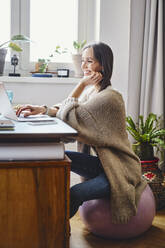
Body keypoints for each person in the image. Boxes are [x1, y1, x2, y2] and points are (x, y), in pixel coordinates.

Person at [16, 42, 147, 224]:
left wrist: (80, 84)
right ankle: (41, 216)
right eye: (83, 61)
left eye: (89, 61)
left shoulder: (109, 98)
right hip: (104, 165)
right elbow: (65, 108)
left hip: (120, 170)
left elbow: (69, 116)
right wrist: (42, 109)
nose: (84, 66)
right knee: (59, 157)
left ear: (102, 65)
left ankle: (53, 230)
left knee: (75, 193)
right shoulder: (93, 93)